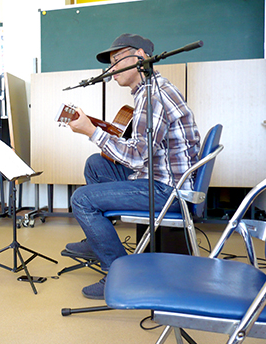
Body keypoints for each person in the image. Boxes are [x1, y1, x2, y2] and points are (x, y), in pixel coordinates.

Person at [64, 34, 201, 299]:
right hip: (158, 177)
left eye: (116, 61)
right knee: (96, 164)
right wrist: (100, 134)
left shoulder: (152, 95)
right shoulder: (149, 90)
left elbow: (138, 156)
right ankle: (99, 241)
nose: (110, 70)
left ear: (139, 56)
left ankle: (117, 275)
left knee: (81, 200)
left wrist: (92, 132)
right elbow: (144, 151)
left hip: (168, 191)